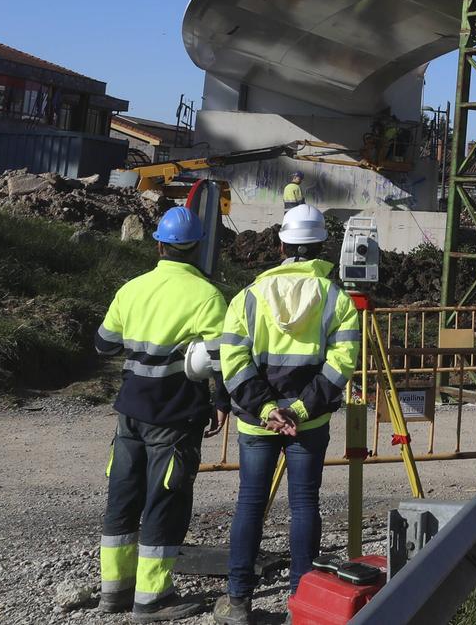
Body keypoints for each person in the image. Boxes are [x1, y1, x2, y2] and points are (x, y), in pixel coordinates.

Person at [213, 205, 361, 625]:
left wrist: (265, 409)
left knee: (250, 505)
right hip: (308, 424)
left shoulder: (248, 297)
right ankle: (301, 602)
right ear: (320, 247)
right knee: (303, 505)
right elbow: (341, 365)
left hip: (255, 422)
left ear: (281, 245)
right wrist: (296, 409)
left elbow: (233, 360)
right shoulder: (338, 300)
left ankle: (238, 600)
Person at [93, 207, 227, 620]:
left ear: (158, 244)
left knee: (123, 498)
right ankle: (152, 599)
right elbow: (221, 359)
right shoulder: (206, 295)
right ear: (197, 247)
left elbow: (104, 345)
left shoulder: (131, 289)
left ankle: (114, 592)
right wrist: (221, 402)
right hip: (174, 415)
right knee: (164, 503)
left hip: (129, 412)